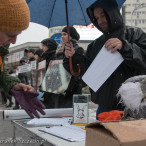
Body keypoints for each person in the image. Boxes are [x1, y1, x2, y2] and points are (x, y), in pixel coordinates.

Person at [64, 0, 146, 119]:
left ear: (113, 13)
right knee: (101, 137)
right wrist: (72, 58)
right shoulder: (95, 45)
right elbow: (83, 76)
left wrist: (125, 47)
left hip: (133, 109)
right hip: (103, 109)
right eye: (96, 18)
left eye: (103, 15)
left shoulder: (135, 34)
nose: (100, 21)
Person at [0, 0, 45, 118]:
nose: (14, 41)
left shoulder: (1, 47)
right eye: (10, 35)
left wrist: (13, 85)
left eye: (17, 35)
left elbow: (1, 73)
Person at [57, 26, 84, 108]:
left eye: (65, 34)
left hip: (71, 87)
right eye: (61, 34)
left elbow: (72, 70)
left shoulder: (76, 50)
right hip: (63, 86)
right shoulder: (61, 49)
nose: (62, 37)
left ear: (71, 36)